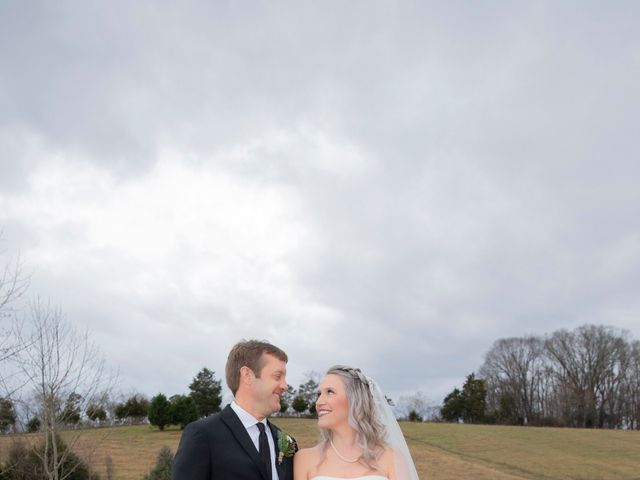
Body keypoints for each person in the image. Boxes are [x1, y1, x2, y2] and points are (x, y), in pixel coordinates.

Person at [172, 339, 297, 480]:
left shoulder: (288, 443)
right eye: (277, 376)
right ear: (247, 375)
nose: (285, 386)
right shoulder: (203, 435)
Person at [294, 365, 419, 480]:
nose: (319, 402)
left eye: (330, 392)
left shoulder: (391, 458)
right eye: (319, 394)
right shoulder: (304, 459)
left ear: (355, 399)